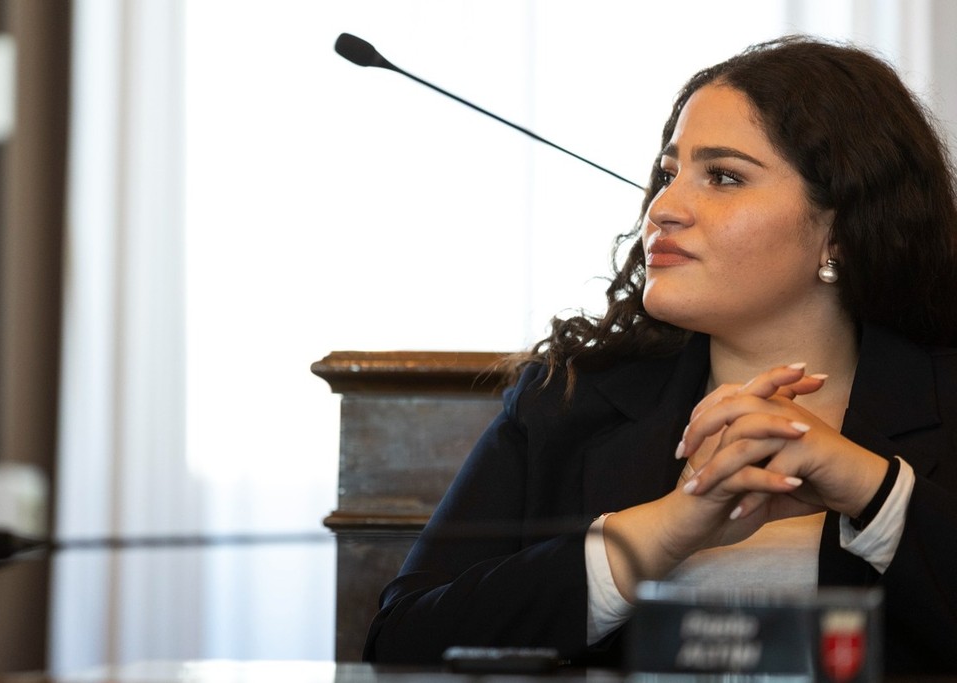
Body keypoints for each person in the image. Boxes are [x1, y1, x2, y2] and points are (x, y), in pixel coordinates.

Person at [362, 35, 957, 674]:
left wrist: (876, 492)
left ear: (840, 229)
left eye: (723, 177)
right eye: (669, 174)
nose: (662, 208)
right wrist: (656, 534)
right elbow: (401, 649)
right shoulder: (564, 402)